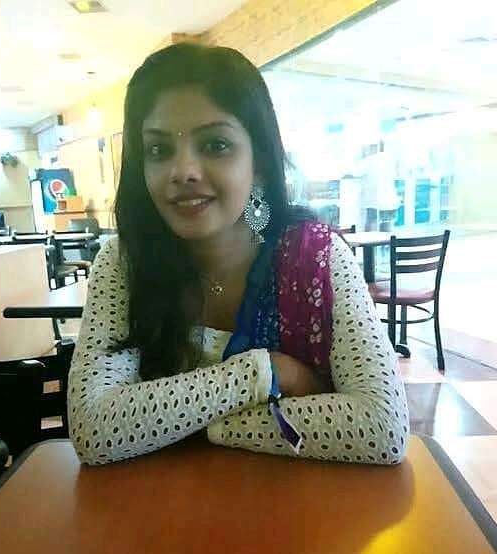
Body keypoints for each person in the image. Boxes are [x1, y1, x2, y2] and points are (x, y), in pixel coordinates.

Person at [68, 43, 409, 466]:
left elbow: (382, 428)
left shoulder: (318, 259)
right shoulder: (124, 263)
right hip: (162, 504)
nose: (183, 171)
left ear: (259, 162)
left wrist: (201, 427)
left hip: (299, 501)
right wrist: (264, 373)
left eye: (215, 145)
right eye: (158, 150)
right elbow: (94, 429)